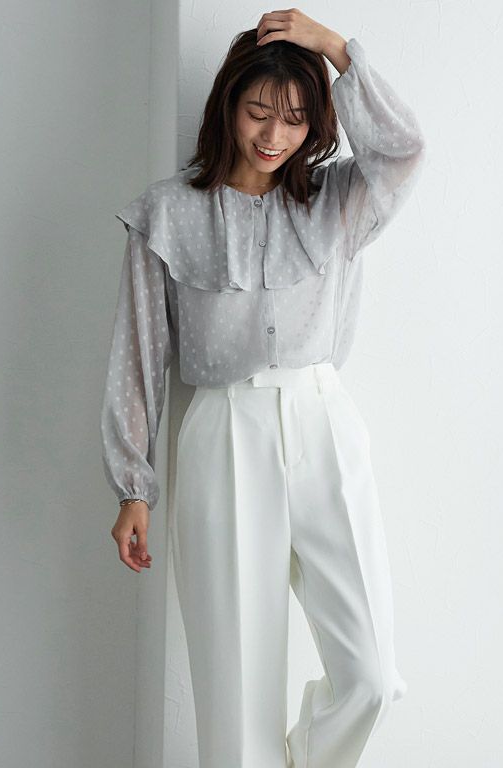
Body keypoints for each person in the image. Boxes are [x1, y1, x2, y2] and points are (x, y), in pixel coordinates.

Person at [101, 9, 425, 768]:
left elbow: (405, 148)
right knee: (237, 696)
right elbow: (139, 354)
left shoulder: (338, 201)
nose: (274, 135)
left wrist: (335, 48)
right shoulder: (168, 213)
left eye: (295, 119)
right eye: (257, 113)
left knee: (373, 678)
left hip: (322, 422)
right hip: (223, 434)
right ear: (227, 105)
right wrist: (133, 487)